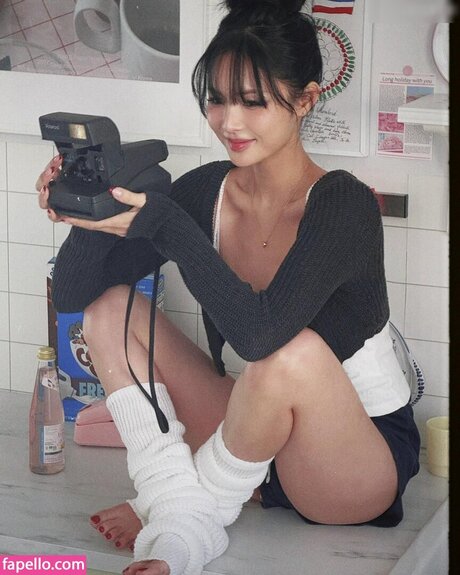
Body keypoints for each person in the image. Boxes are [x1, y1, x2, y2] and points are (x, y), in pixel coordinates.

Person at [36, 1, 420, 574]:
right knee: (111, 308)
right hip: (252, 436)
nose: (229, 122)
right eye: (217, 99)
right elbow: (74, 296)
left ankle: (188, 521)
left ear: (306, 100)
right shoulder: (207, 191)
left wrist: (167, 225)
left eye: (253, 101)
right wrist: (88, 208)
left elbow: (260, 338)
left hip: (353, 459)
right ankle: (173, 493)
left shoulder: (343, 205)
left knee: (291, 351)